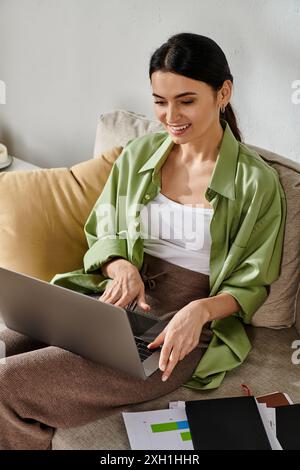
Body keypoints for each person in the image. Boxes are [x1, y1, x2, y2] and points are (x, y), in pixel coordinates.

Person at [0, 33, 286, 450]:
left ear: (223, 93)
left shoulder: (256, 183)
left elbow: (251, 284)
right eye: (159, 101)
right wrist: (122, 267)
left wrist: (199, 311)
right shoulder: (139, 154)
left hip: (181, 332)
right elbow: (106, 228)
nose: (171, 116)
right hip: (112, 307)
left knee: (9, 383)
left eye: (186, 100)